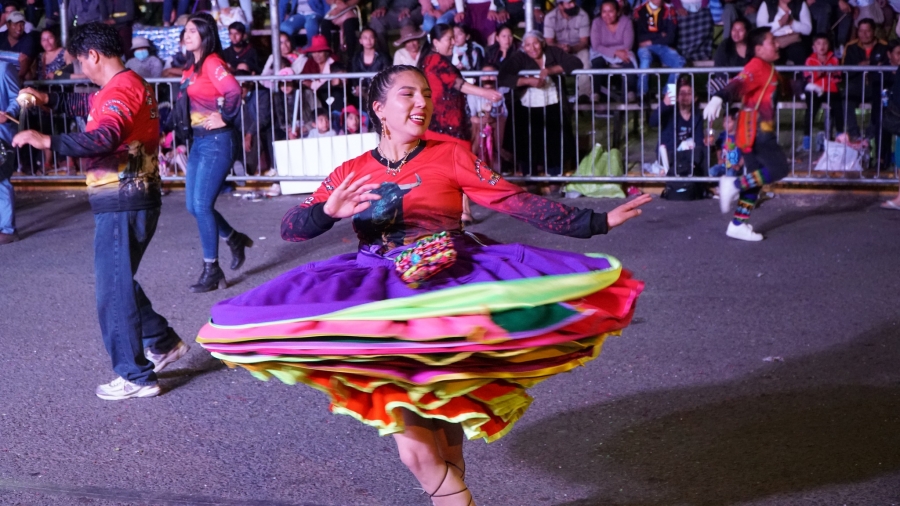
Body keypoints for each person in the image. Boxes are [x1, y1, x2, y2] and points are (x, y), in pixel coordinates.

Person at [194, 64, 651, 505]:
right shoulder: (352, 170)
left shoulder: (451, 153)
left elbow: (514, 201)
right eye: (408, 94)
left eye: (427, 95)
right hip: (380, 307)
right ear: (379, 108)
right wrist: (327, 213)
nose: (422, 103)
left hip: (445, 295)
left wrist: (596, 221)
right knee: (416, 448)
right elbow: (292, 228)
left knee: (447, 429)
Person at [12, 22, 189, 399]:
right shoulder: (122, 86)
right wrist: (48, 101)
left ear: (92, 55)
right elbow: (86, 106)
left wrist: (47, 140)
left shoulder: (121, 89)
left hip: (122, 198)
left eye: (79, 62)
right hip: (132, 196)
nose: (80, 70)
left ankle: (135, 375)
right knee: (120, 280)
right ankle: (163, 342)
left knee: (112, 290)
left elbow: (105, 135)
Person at [704, 26, 806, 241]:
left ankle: (737, 224)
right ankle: (732, 184)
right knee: (778, 168)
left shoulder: (768, 68)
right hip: (756, 131)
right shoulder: (757, 65)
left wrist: (807, 86)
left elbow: (784, 85)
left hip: (749, 129)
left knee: (756, 179)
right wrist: (719, 97)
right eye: (772, 41)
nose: (777, 44)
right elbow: (739, 82)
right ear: (759, 48)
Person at [177, 13, 252, 292]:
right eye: (185, 31)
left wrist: (226, 117)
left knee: (202, 206)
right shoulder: (191, 66)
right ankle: (233, 238)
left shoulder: (212, 62)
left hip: (218, 140)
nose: (187, 35)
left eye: (193, 31)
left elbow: (234, 90)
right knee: (192, 206)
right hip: (199, 140)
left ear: (206, 36)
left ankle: (212, 269)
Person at [419, 23, 503, 225]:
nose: (453, 42)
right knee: (461, 165)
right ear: (436, 42)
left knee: (445, 168)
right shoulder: (436, 60)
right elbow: (458, 84)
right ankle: (461, 210)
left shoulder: (430, 60)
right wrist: (486, 92)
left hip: (440, 122)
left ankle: (452, 210)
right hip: (446, 124)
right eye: (449, 39)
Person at [499, 30, 582, 182]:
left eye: (535, 43)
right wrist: (528, 81)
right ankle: (530, 180)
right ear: (523, 47)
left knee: (555, 143)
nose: (532, 48)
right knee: (528, 145)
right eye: (528, 45)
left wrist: (551, 70)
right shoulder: (519, 57)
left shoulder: (553, 52)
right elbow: (503, 76)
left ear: (542, 43)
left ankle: (555, 179)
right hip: (527, 107)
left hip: (553, 104)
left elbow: (576, 63)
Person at [840, 18, 889, 141]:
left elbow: (887, 65)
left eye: (867, 31)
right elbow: (844, 70)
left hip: (876, 84)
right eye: (861, 31)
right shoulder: (851, 47)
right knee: (846, 97)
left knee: (881, 101)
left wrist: (870, 63)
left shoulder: (884, 46)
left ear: (873, 31)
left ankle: (869, 136)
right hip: (856, 84)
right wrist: (859, 66)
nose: (864, 34)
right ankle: (855, 135)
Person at [650, 78, 707, 176]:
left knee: (703, 150)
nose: (685, 96)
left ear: (695, 98)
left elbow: (698, 140)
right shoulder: (669, 111)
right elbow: (652, 122)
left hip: (687, 153)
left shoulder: (697, 116)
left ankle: (702, 184)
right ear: (676, 97)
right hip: (670, 153)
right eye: (682, 93)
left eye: (689, 93)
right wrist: (663, 104)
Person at [632, 0, 686, 98]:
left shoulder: (669, 10)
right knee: (645, 59)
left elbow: (670, 38)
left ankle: (667, 94)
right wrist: (660, 35)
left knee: (680, 61)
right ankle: (642, 94)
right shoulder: (639, 10)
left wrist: (650, 40)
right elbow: (638, 38)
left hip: (663, 47)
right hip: (646, 47)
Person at [801, 34, 842, 152]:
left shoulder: (834, 60)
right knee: (811, 110)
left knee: (838, 108)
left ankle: (840, 137)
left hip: (831, 89)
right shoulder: (810, 60)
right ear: (814, 46)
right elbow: (808, 78)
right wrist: (820, 72)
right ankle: (806, 140)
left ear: (829, 45)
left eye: (825, 43)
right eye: (818, 44)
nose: (822, 46)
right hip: (815, 89)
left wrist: (831, 73)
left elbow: (838, 78)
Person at [544, 0, 592, 101]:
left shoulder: (583, 15)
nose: (573, 4)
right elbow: (548, 42)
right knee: (548, 55)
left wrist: (571, 48)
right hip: (557, 50)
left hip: (577, 48)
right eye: (569, 3)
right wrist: (560, 48)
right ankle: (556, 96)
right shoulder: (550, 17)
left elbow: (584, 42)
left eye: (573, 1)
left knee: (585, 54)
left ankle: (584, 95)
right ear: (560, 6)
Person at [590, 0, 637, 100]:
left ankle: (629, 93)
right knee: (597, 63)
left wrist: (617, 52)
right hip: (601, 53)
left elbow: (628, 45)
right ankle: (596, 94)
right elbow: (596, 46)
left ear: (618, 12)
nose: (607, 15)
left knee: (628, 61)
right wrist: (615, 52)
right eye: (604, 11)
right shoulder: (596, 23)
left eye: (610, 11)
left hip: (623, 52)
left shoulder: (626, 22)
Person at [755, 0, 812, 65]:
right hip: (774, 40)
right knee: (771, 52)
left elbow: (808, 30)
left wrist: (791, 22)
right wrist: (780, 23)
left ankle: (800, 74)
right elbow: (761, 29)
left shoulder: (800, 3)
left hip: (793, 39)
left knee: (799, 50)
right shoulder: (767, 4)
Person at [0, 60, 17, 245]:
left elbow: (18, 98)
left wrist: (7, 114)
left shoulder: (4, 69)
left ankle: (8, 229)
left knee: (1, 180)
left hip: (2, 135)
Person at [708, 108, 744, 178]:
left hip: (735, 167)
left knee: (730, 174)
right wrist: (719, 159)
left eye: (728, 122)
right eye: (724, 121)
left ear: (737, 122)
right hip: (723, 165)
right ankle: (712, 187)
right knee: (711, 171)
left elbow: (745, 154)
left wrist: (739, 165)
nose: (724, 124)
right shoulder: (722, 135)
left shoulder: (741, 137)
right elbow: (718, 148)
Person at [0, 11, 36, 80]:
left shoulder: (28, 39)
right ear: (8, 25)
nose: (19, 28)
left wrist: (16, 80)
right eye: (15, 24)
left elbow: (24, 62)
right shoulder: (1, 37)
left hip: (16, 78)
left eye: (22, 24)